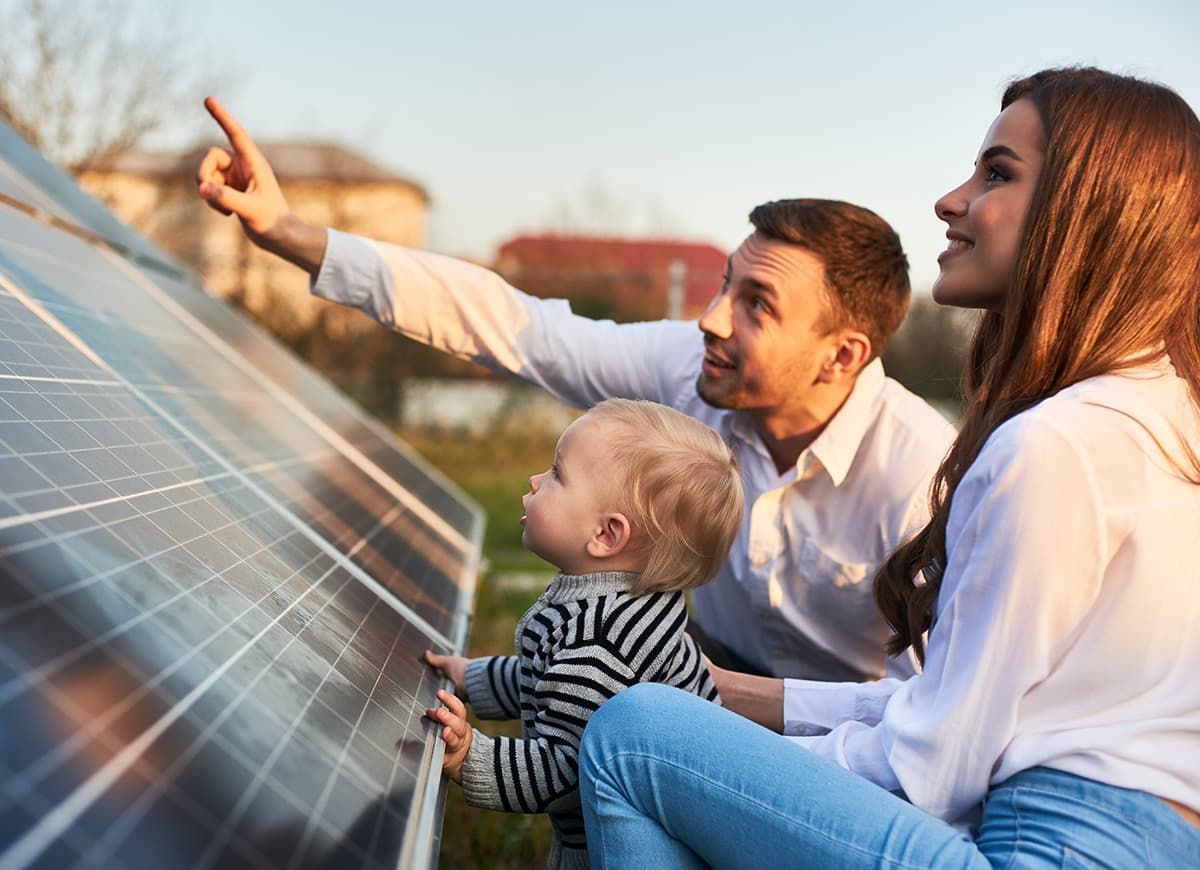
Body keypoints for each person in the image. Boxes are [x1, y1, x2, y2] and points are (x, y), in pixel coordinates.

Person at [576, 66, 1200, 867]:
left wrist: (722, 770)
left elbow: (933, 765)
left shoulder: (1054, 447)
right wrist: (727, 699)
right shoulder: (1167, 416)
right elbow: (955, 706)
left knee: (632, 738)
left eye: (997, 173)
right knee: (670, 722)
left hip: (1040, 848)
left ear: (1088, 215)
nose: (951, 199)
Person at [195, 100, 957, 684]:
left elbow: (925, 720)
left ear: (841, 355)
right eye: (727, 283)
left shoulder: (921, 477)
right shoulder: (693, 370)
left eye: (757, 303)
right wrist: (291, 234)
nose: (711, 317)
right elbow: (514, 326)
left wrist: (720, 709)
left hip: (849, 743)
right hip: (709, 670)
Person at [421, 397, 742, 869]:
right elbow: (551, 681)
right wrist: (475, 678)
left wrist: (472, 758)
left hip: (617, 845)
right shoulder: (618, 601)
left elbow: (566, 769)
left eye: (556, 475)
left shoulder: (600, 644)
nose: (535, 480)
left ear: (607, 536)